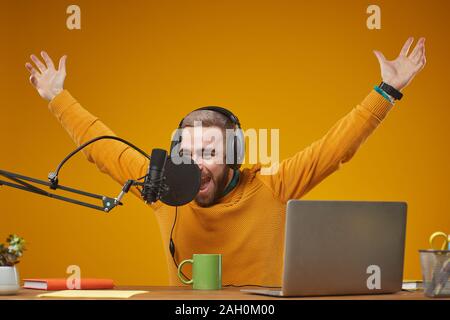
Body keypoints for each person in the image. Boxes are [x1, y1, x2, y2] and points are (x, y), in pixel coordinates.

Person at [24, 37, 426, 286]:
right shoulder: (161, 185)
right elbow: (101, 145)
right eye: (188, 152)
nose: (195, 164)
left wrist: (387, 89)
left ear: (234, 157)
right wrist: (57, 97)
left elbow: (335, 149)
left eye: (210, 152)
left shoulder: (273, 184)